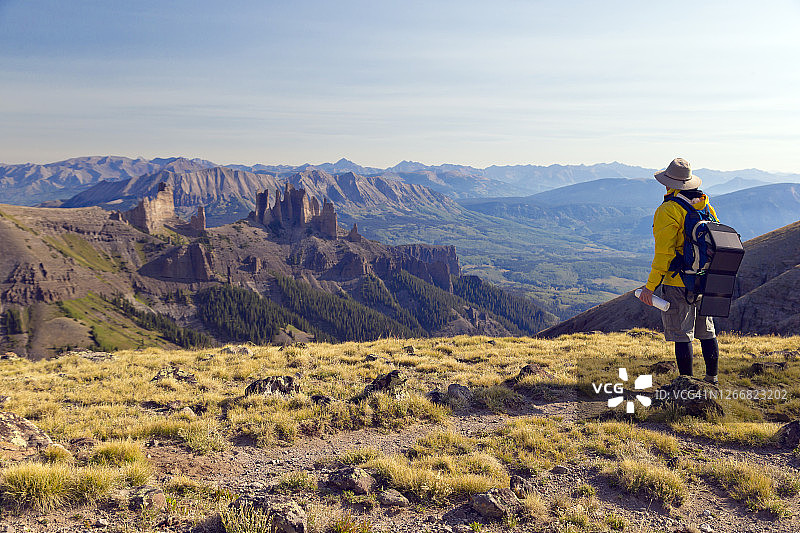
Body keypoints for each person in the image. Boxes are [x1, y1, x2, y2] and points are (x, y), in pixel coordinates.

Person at [638, 158, 720, 384]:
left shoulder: (668, 210)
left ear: (668, 184)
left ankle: (685, 386)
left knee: (682, 334)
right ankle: (711, 380)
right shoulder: (703, 204)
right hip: (706, 279)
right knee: (707, 331)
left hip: (678, 282)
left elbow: (664, 255)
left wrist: (650, 287)